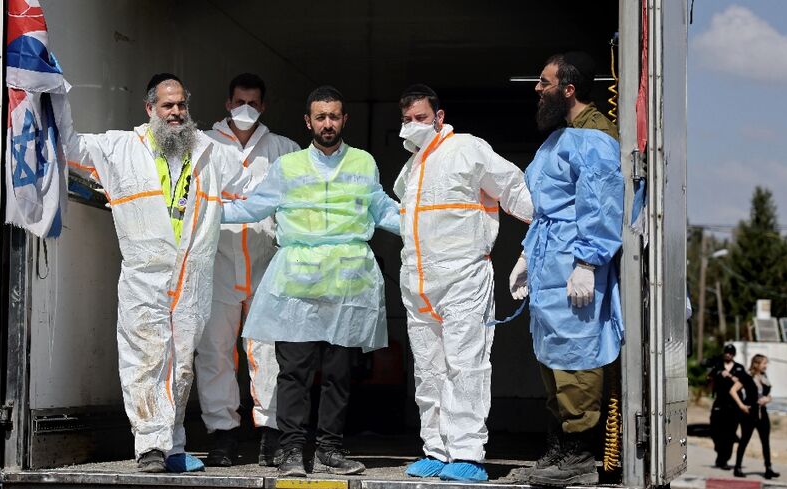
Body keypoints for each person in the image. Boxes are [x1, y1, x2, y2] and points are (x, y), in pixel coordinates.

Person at [66, 73, 246, 473]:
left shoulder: (209, 152)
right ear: (150, 109)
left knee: (181, 365)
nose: (177, 113)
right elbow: (69, 145)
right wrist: (55, 96)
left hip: (191, 275)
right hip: (145, 275)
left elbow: (254, 188)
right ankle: (149, 446)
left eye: (181, 105)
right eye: (168, 106)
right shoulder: (120, 148)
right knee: (146, 359)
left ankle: (174, 446)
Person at [221, 86, 400, 477]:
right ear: (308, 122)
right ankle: (291, 452)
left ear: (344, 119)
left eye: (334, 116)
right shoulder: (288, 167)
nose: (328, 124)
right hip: (297, 288)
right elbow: (254, 206)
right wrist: (204, 211)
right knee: (295, 373)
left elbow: (383, 208)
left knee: (339, 374)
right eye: (321, 117)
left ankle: (330, 450)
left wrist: (429, 227)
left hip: (347, 286)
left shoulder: (364, 162)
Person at [392, 84, 533, 482]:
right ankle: (435, 450)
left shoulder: (468, 149)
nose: (414, 126)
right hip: (418, 283)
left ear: (439, 117)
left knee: (466, 366)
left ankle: (467, 453)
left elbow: (514, 190)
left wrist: (540, 241)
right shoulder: (412, 167)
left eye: (421, 118)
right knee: (429, 371)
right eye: (407, 120)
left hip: (464, 279)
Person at [507, 51, 623, 486]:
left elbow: (600, 202)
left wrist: (587, 262)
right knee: (553, 355)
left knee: (576, 355)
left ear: (568, 90)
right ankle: (557, 450)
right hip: (549, 261)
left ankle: (577, 455)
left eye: (544, 82)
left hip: (574, 263)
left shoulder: (593, 137)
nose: (537, 90)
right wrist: (525, 255)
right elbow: (546, 206)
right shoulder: (561, 136)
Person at [195, 73, 300, 467]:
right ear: (227, 103)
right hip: (216, 263)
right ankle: (222, 434)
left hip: (265, 263)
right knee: (215, 351)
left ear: (264, 107)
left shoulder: (283, 149)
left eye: (253, 103)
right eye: (240, 101)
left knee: (268, 351)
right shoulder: (202, 144)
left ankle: (271, 433)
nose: (246, 109)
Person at [730, 354, 780, 479]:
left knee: (765, 441)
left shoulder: (764, 377)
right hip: (749, 413)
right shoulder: (747, 376)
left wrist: (767, 399)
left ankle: (768, 468)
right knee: (744, 440)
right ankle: (738, 467)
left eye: (766, 363)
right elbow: (733, 391)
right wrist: (741, 405)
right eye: (764, 363)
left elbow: (768, 395)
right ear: (756, 364)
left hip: (762, 413)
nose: (766, 366)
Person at [707, 344, 746, 470]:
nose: (728, 355)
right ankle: (720, 452)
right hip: (719, 403)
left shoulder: (739, 368)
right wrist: (718, 373)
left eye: (730, 353)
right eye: (726, 352)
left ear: (733, 354)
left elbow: (745, 383)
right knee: (715, 430)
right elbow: (708, 380)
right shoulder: (718, 366)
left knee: (730, 434)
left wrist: (732, 377)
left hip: (734, 405)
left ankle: (724, 460)